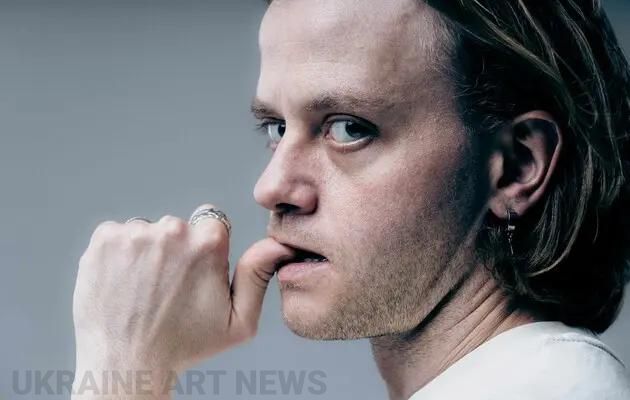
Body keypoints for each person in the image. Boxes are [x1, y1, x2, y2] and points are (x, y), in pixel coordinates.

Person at [71, 0, 630, 399]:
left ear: (516, 167)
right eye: (275, 127)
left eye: (348, 127)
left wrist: (123, 370)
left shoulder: (557, 387)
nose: (270, 188)